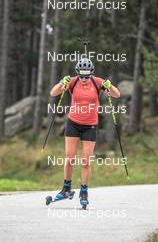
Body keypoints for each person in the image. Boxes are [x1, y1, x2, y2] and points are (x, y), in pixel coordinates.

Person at [50, 57, 120, 208]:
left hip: (90, 126)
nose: (83, 79)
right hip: (73, 123)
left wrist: (110, 86)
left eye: (86, 76)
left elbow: (116, 94)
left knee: (86, 161)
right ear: (77, 73)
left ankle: (83, 192)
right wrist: (61, 83)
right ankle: (66, 189)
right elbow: (53, 92)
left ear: (91, 74)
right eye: (81, 75)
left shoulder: (97, 82)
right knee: (69, 158)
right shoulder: (73, 81)